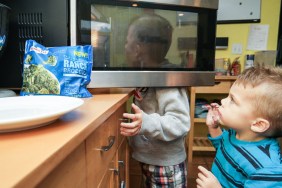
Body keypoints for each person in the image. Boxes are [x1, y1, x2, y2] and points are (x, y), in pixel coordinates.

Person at [120, 13, 190, 187]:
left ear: (137, 49)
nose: (124, 47)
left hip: (165, 164)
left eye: (126, 42)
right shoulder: (147, 74)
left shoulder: (166, 80)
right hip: (152, 158)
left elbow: (180, 122)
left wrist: (145, 122)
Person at [196, 65, 282, 188]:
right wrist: (214, 127)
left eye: (233, 100)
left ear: (258, 124)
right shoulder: (236, 133)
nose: (223, 101)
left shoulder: (267, 170)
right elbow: (224, 147)